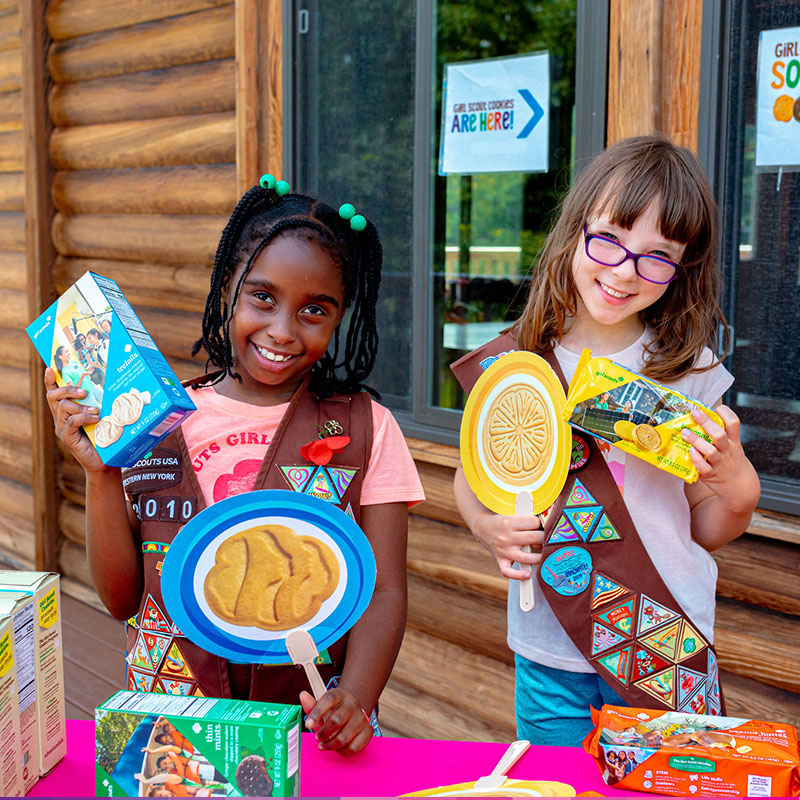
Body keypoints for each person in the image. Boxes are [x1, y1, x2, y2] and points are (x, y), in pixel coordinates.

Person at [44, 175, 424, 755]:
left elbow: (384, 591)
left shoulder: (365, 429)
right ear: (228, 288)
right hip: (169, 727)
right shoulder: (156, 421)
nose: (282, 330)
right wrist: (101, 474)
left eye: (314, 310)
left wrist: (359, 694)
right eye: (263, 297)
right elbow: (123, 600)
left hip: (304, 726)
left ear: (342, 315)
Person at [452, 135, 759, 747]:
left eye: (657, 256)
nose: (624, 271)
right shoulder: (518, 362)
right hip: (548, 643)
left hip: (660, 641)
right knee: (550, 784)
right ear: (576, 231)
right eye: (610, 240)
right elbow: (474, 474)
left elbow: (709, 525)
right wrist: (487, 526)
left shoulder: (689, 372)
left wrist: (736, 484)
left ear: (681, 268)